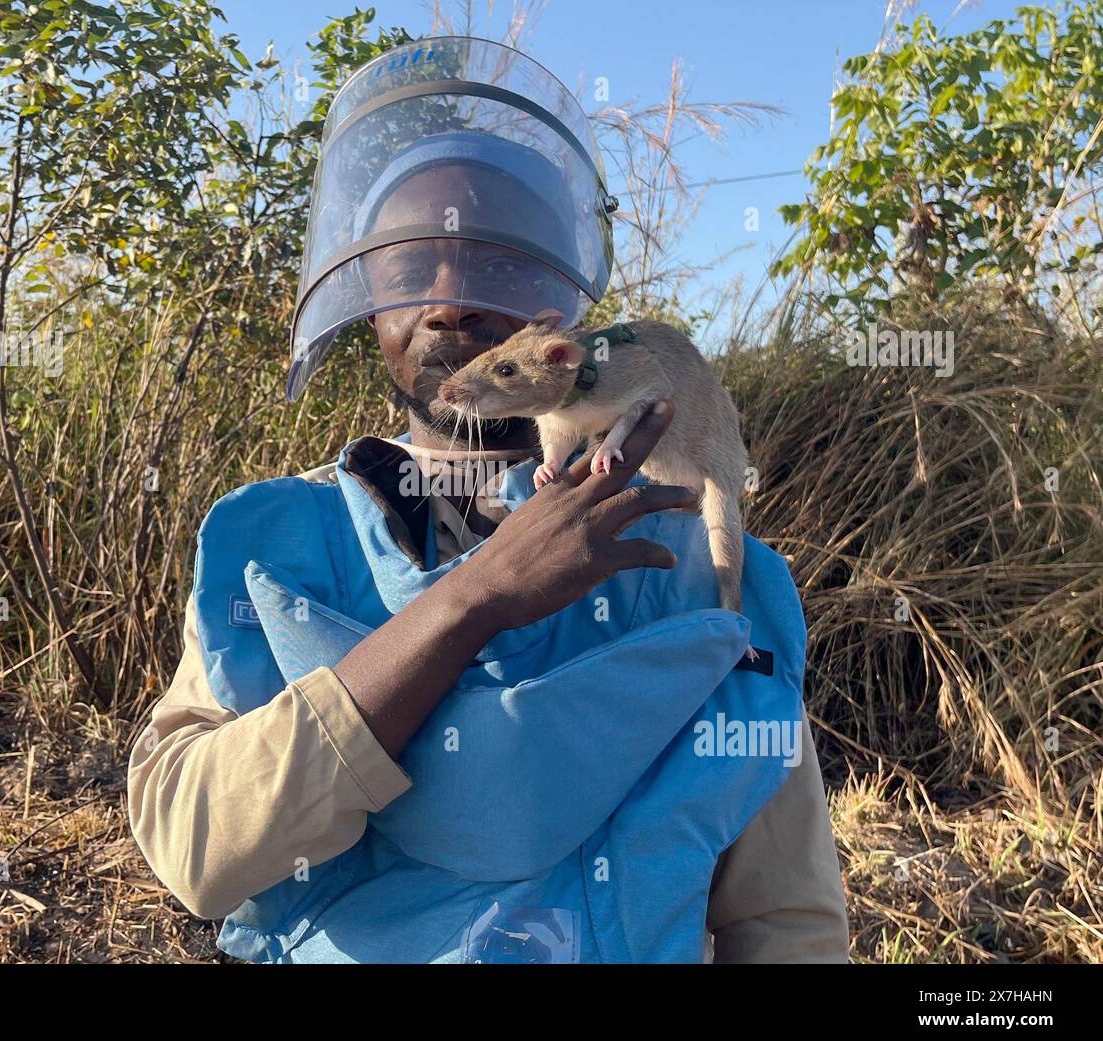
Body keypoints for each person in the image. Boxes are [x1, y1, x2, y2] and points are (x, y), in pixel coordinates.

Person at [127, 36, 848, 963]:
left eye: (495, 264)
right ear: (366, 296)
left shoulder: (695, 568)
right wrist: (472, 602)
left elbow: (786, 919)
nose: (448, 302)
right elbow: (195, 851)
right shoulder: (281, 546)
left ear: (558, 313)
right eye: (406, 265)